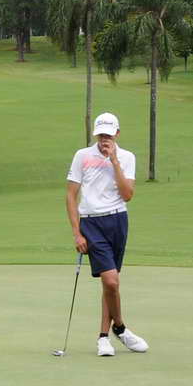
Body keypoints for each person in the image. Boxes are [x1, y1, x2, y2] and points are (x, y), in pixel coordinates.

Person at [65, 112, 148, 357]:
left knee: (110, 282)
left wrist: (114, 161)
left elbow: (127, 195)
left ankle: (104, 337)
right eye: (101, 135)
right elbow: (70, 195)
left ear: (117, 134)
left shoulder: (127, 157)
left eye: (109, 135)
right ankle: (120, 327)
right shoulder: (82, 156)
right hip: (91, 223)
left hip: (118, 220)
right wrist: (77, 233)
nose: (104, 139)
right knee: (111, 280)